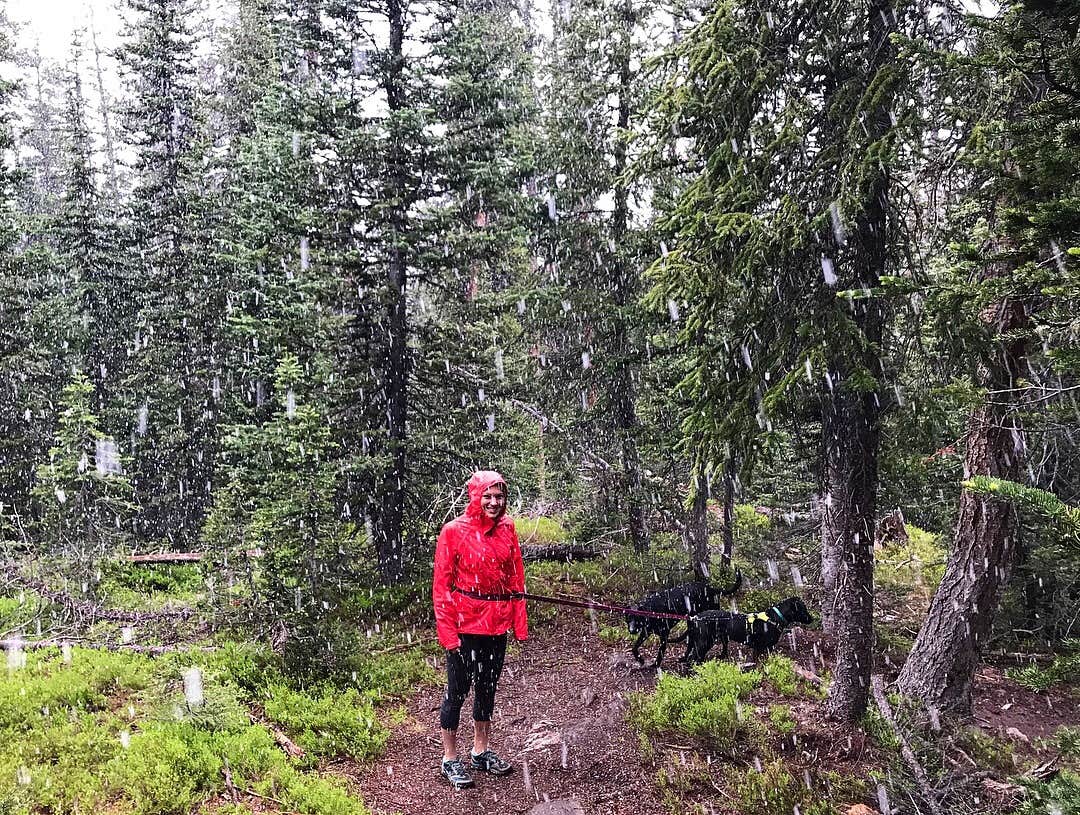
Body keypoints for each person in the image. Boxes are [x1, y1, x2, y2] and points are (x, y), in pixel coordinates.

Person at [432, 470, 528, 790]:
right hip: (464, 626)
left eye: (499, 496)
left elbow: (515, 577)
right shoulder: (453, 531)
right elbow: (441, 588)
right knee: (457, 692)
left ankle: (480, 751)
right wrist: (448, 634)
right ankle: (449, 758)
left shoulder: (508, 528)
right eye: (487, 496)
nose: (494, 502)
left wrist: (518, 623)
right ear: (475, 497)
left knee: (487, 689)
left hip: (496, 625)